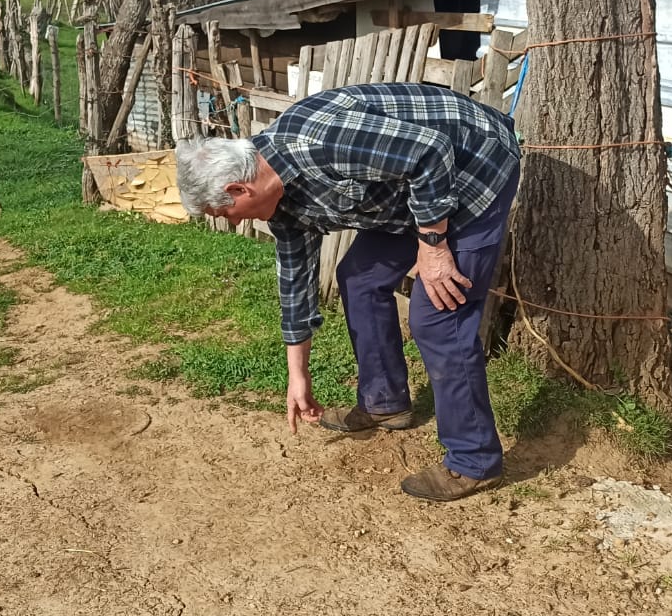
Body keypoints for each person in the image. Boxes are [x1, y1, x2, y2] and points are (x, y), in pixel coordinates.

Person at [175, 82, 521, 502]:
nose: (230, 223)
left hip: (474, 168)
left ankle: (475, 461)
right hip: (410, 192)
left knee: (437, 318)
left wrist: (433, 246)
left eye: (223, 214)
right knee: (358, 278)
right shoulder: (281, 202)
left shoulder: (322, 143)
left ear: (238, 190)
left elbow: (430, 151)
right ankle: (384, 403)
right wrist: (297, 376)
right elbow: (296, 283)